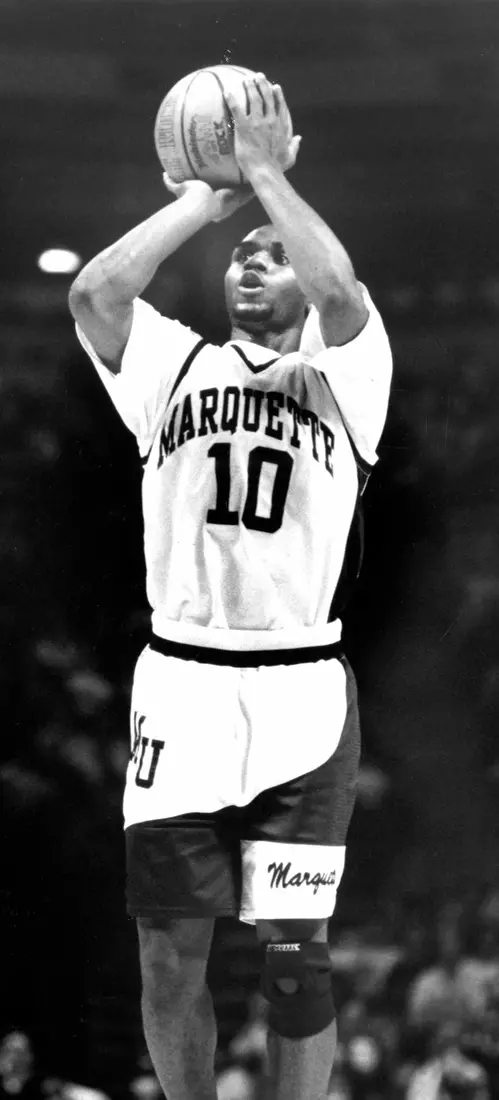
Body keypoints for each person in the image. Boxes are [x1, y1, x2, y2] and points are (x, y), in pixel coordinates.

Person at [68, 72, 392, 1100]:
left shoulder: (347, 377)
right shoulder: (170, 366)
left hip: (300, 692)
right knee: (169, 956)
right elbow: (96, 295)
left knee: (295, 959)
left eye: (271, 252)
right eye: (240, 254)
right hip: (182, 685)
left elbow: (341, 293)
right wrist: (202, 201)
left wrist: (265, 174)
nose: (251, 261)